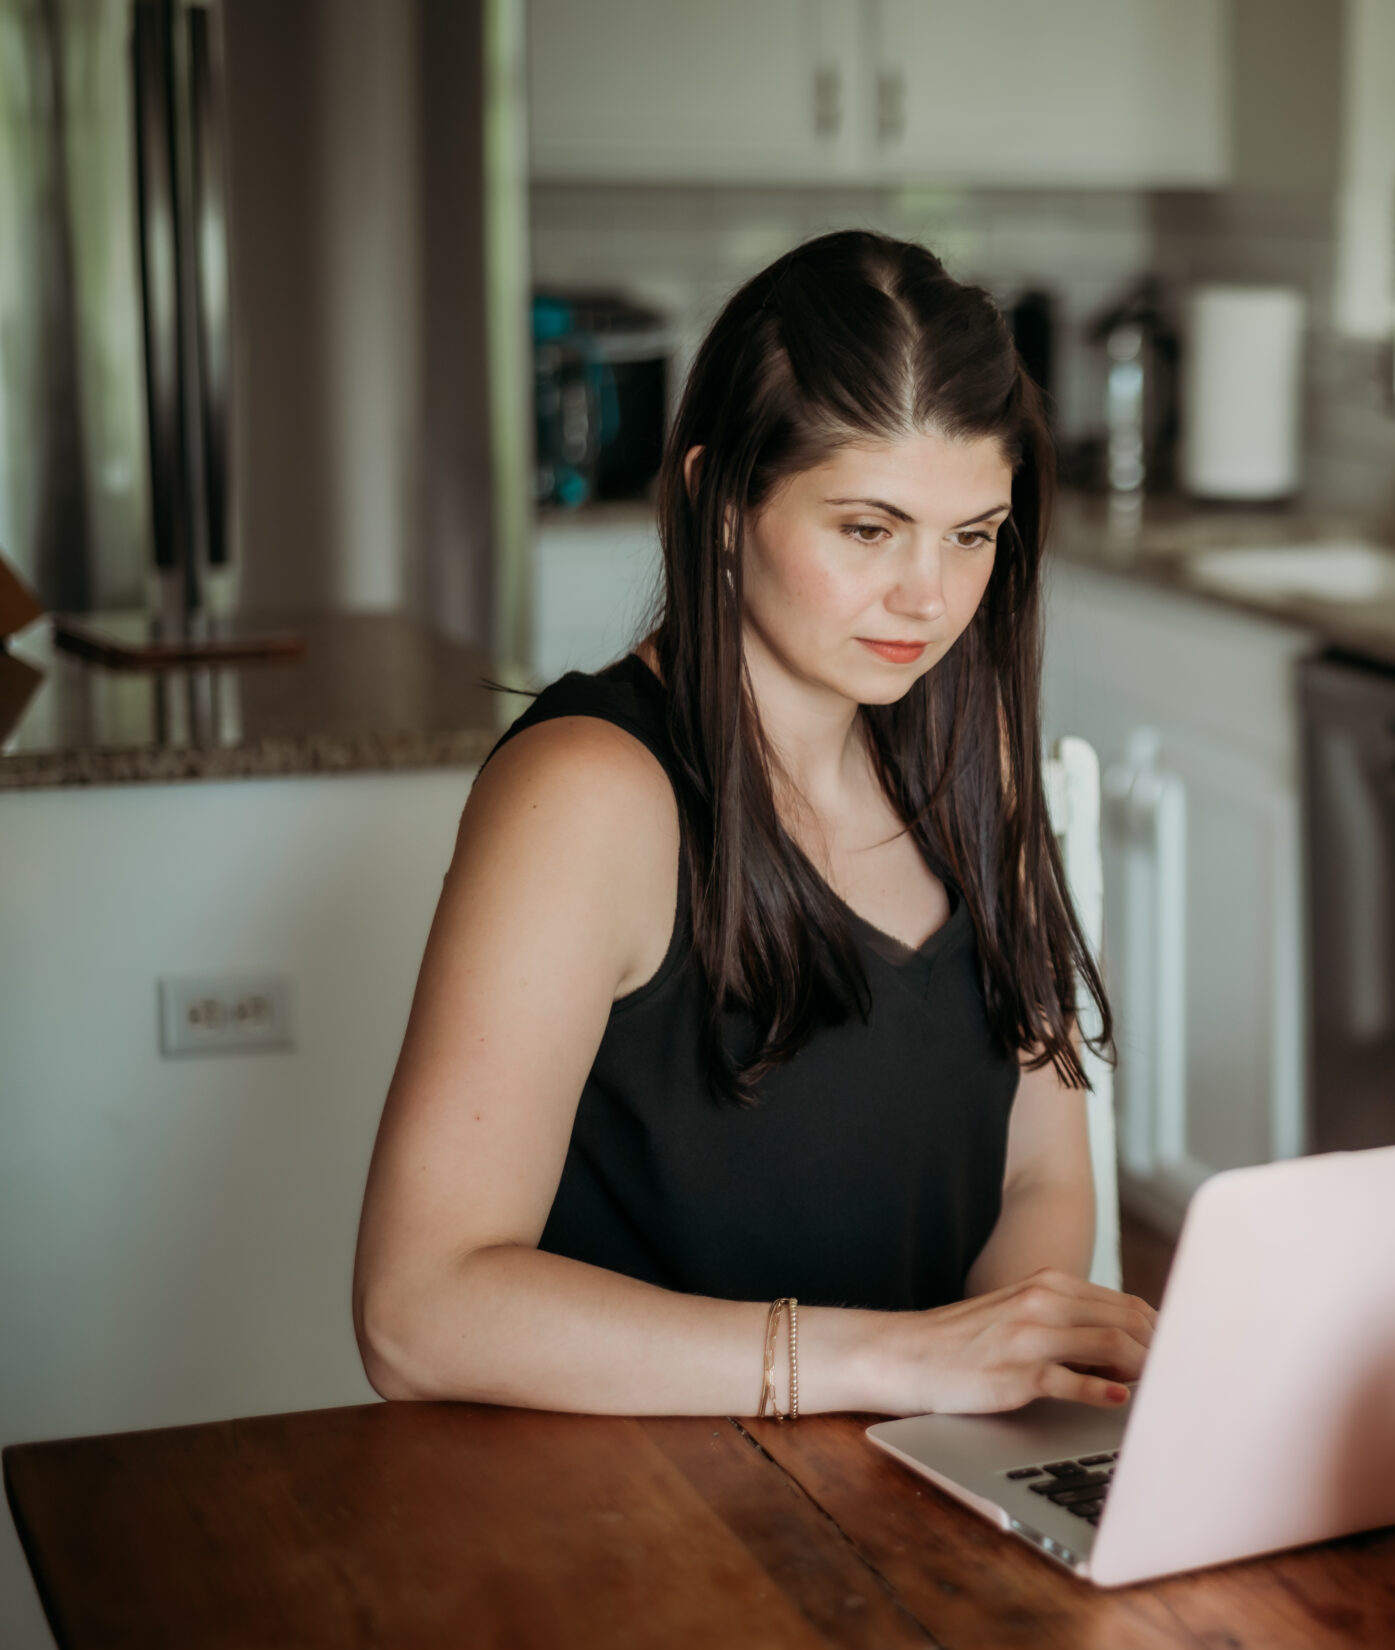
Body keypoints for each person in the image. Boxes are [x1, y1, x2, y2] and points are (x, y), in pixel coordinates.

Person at [352, 231, 1154, 1419]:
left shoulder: (967, 749)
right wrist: (891, 1362)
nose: (928, 597)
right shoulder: (590, 794)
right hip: (650, 1519)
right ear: (715, 498)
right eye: (868, 528)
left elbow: (1039, 1169)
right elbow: (417, 1310)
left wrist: (1000, 1377)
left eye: (972, 534)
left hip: (916, 1481)